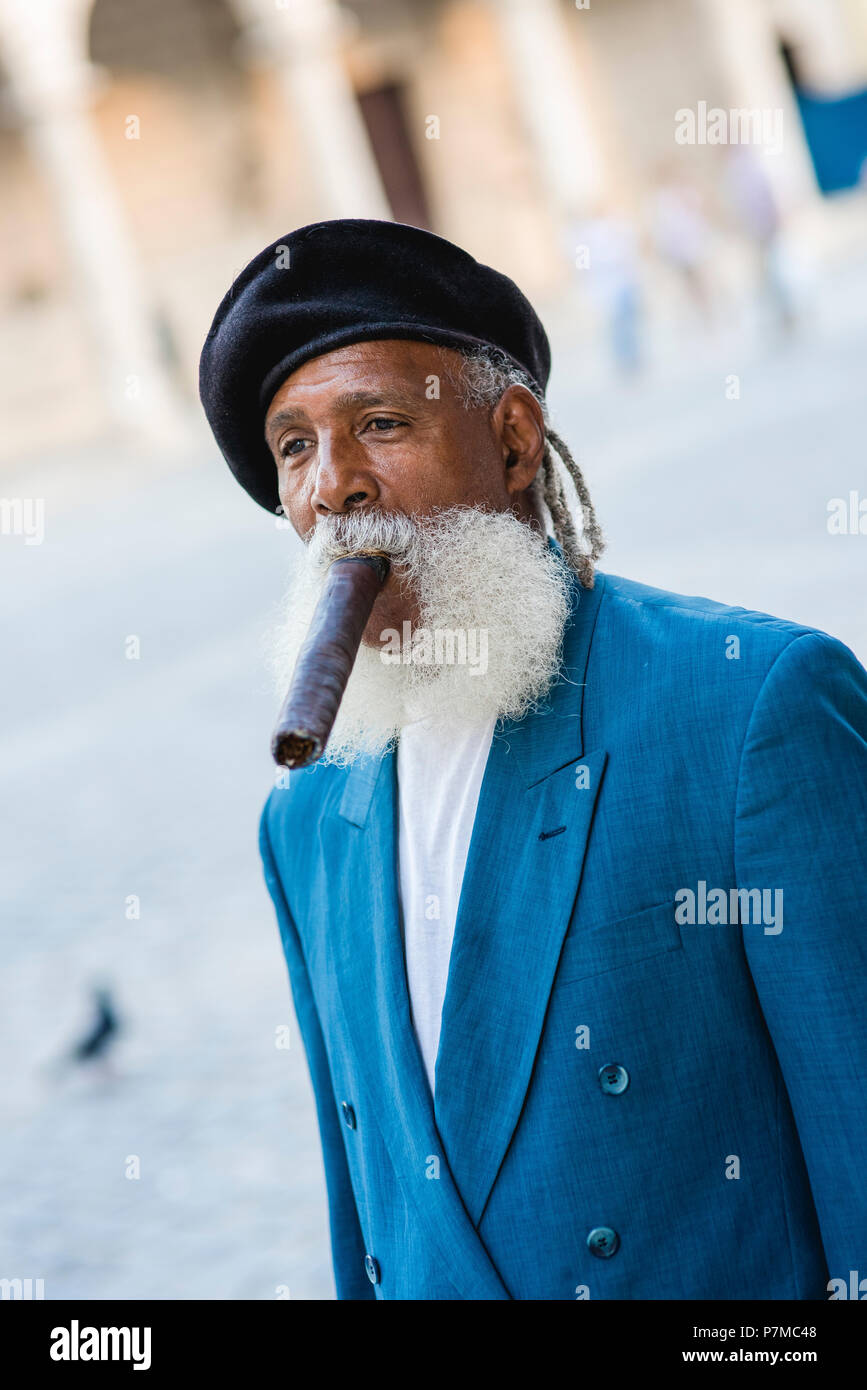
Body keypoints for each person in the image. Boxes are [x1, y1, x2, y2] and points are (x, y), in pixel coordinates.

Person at [199, 219, 867, 1301]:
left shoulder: (751, 707)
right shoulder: (306, 820)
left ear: (513, 443)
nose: (335, 486)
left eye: (378, 422)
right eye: (295, 447)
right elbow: (365, 1223)